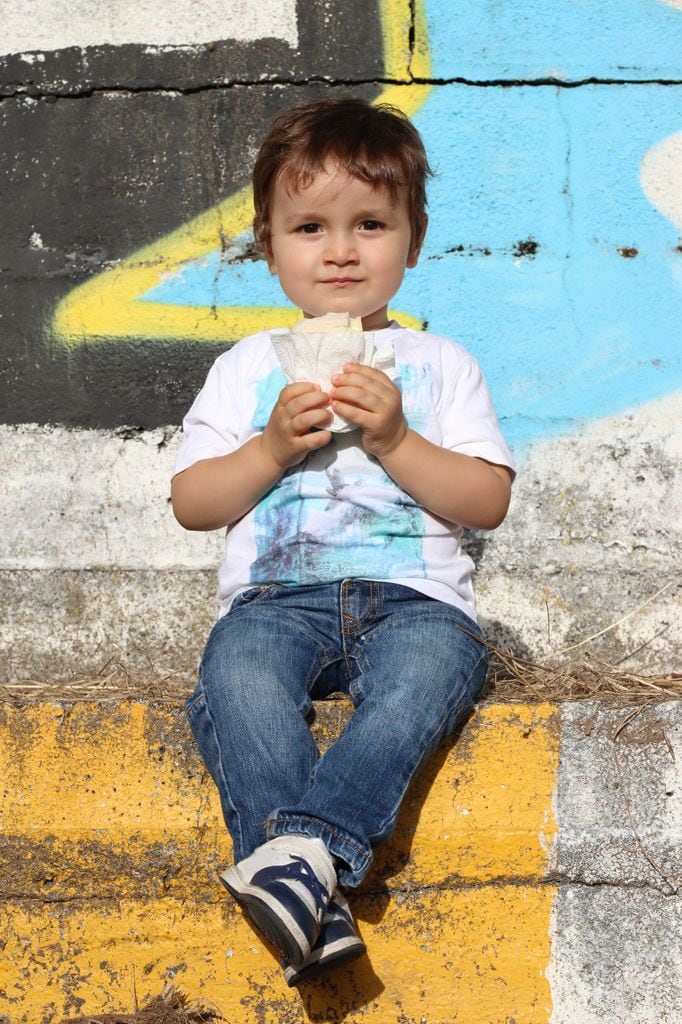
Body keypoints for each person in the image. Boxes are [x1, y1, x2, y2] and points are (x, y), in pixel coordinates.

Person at [171, 96, 515, 986]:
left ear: (414, 236)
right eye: (309, 227)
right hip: (276, 601)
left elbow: (485, 502)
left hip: (413, 603)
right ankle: (308, 879)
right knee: (237, 677)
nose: (340, 251)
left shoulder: (442, 365)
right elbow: (193, 503)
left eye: (370, 224)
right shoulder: (247, 367)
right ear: (268, 242)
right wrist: (271, 448)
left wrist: (397, 439)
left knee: (430, 678)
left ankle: (298, 859)